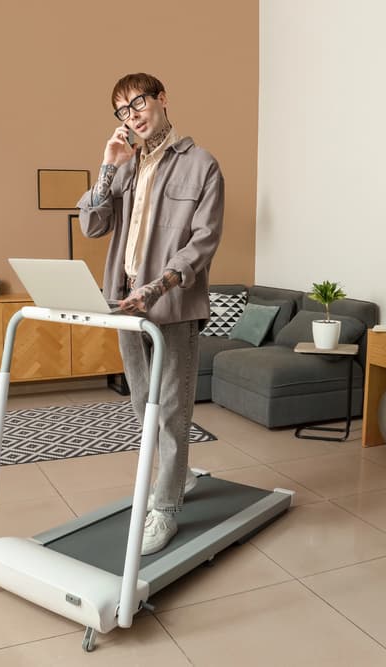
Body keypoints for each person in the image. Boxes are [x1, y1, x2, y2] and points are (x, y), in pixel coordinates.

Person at [77, 73, 224, 555]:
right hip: (122, 302)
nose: (132, 114)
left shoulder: (201, 165)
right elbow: (93, 225)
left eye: (138, 102)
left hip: (172, 305)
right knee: (144, 407)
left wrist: (158, 287)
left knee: (172, 408)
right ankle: (176, 479)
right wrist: (106, 166)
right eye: (122, 110)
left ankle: (165, 509)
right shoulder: (123, 169)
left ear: (161, 99)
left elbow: (202, 242)